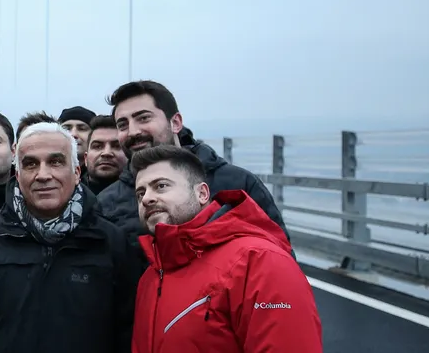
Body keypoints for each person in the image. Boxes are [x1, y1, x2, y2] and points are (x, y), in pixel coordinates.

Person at [0, 122, 140, 353]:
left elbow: (127, 329)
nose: (43, 175)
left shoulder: (109, 240)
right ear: (18, 175)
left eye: (55, 162)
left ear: (76, 173)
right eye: (31, 164)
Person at [129, 146, 321, 352]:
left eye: (161, 186)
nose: (146, 199)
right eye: (140, 193)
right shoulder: (152, 276)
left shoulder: (260, 262)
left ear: (202, 193)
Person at [97, 80, 287, 240]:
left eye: (144, 118)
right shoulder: (107, 203)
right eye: (123, 125)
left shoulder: (238, 185)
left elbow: (278, 255)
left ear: (175, 123)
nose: (133, 132)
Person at [82, 115, 126, 195]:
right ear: (85, 158)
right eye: (97, 146)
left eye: (117, 146)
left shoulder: (143, 196)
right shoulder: (67, 196)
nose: (106, 153)